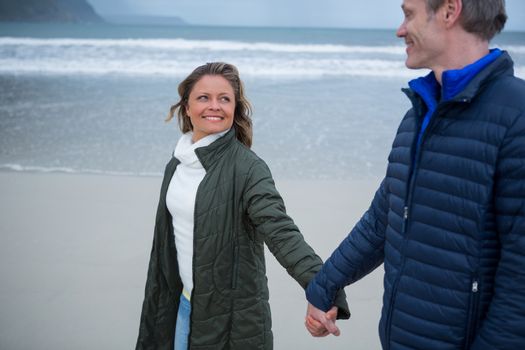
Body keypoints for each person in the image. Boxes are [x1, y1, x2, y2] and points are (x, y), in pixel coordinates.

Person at [305, 0, 525, 348]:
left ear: (450, 11)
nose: (400, 29)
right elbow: (383, 219)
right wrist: (324, 285)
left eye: (409, 14)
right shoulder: (419, 114)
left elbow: (520, 284)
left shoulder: (517, 117)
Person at [135, 62, 349, 350]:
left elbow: (281, 231)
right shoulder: (178, 163)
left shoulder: (248, 168)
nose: (215, 106)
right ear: (187, 107)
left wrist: (322, 290)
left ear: (235, 108)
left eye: (224, 98)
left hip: (231, 320)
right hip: (183, 306)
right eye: (203, 98)